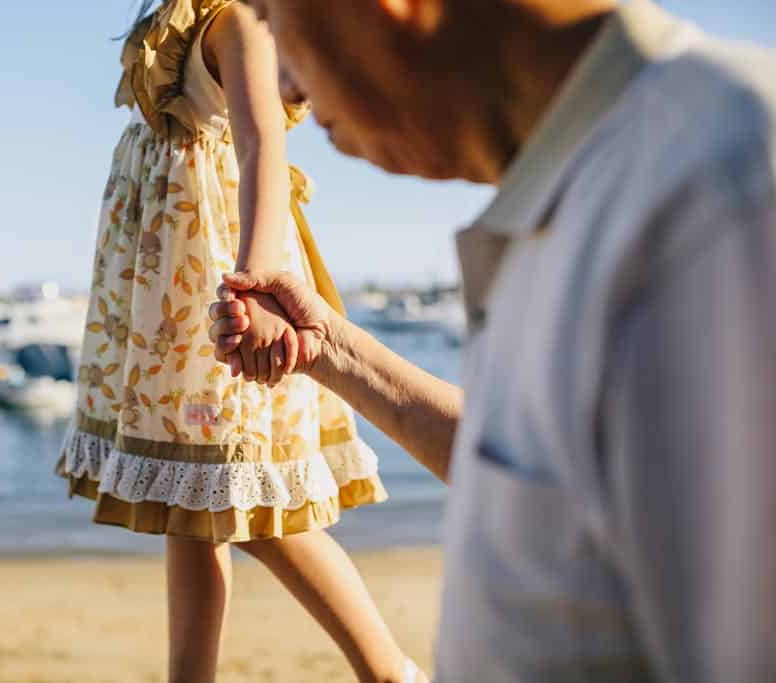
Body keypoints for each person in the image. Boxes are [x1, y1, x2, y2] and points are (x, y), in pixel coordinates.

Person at [211, 0, 776, 680]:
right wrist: (331, 349)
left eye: (274, 20)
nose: (284, 87)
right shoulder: (585, 188)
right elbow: (555, 490)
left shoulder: (717, 192)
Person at [56, 1, 425, 681]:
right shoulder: (186, 19)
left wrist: (255, 281)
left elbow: (263, 146)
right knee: (188, 504)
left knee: (246, 493)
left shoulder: (236, 21)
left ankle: (390, 669)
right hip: (167, 292)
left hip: (213, 282)